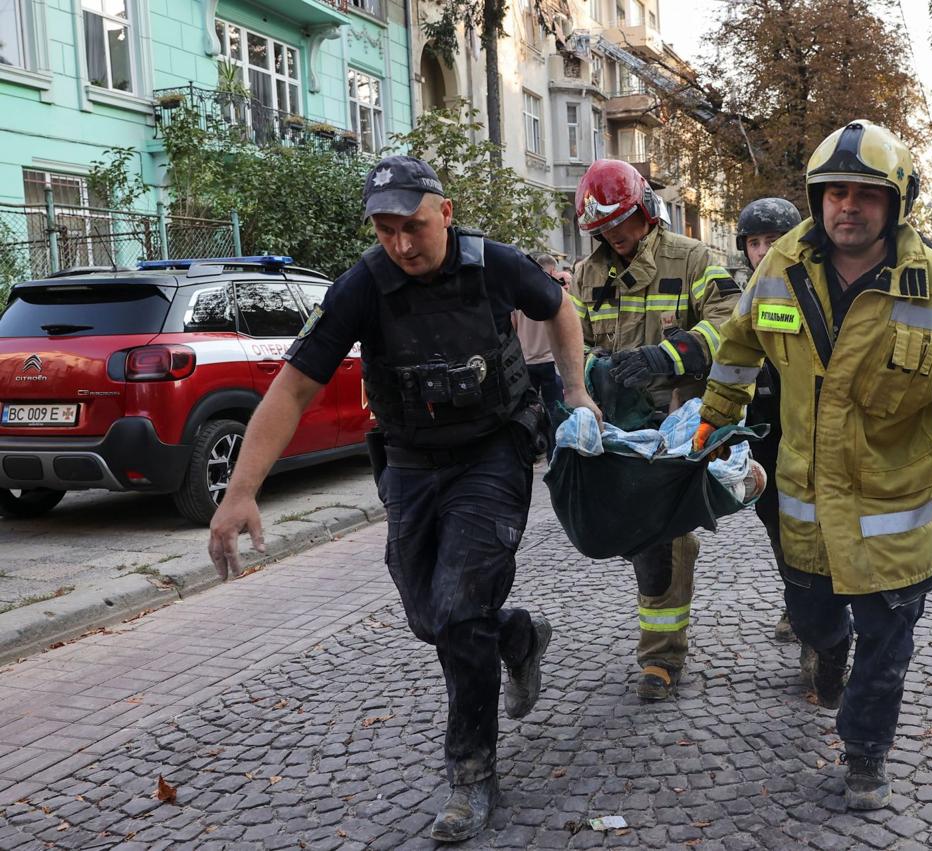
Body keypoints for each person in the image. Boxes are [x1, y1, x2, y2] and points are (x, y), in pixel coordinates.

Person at [207, 155, 600, 843]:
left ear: (444, 212)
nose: (401, 243)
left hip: (492, 451)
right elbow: (295, 385)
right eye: (385, 229)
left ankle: (471, 775)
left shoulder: (493, 264)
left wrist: (575, 392)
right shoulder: (364, 284)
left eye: (413, 225)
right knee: (430, 616)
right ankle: (518, 634)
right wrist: (240, 490)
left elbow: (559, 308)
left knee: (457, 609)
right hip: (413, 461)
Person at [693, 120, 932, 809]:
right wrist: (714, 417)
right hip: (804, 513)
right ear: (818, 199)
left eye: (867, 194)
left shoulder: (931, 287)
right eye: (834, 192)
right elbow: (737, 346)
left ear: (897, 202)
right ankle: (827, 643)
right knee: (813, 621)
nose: (848, 205)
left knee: (887, 647)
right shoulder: (780, 268)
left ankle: (865, 755)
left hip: (892, 520)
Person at [569, 158, 739, 700]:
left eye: (620, 223)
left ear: (645, 210)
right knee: (635, 538)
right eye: (602, 229)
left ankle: (661, 658)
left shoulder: (691, 258)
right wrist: (590, 372)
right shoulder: (587, 272)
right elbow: (572, 337)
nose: (613, 236)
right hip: (617, 431)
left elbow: (732, 322)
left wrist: (668, 357)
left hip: (675, 426)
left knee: (665, 540)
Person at [735, 198, 810, 660]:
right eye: (754, 243)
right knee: (776, 524)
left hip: (808, 428)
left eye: (772, 242)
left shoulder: (810, 290)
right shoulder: (741, 294)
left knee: (810, 528)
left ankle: (814, 622)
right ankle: (795, 602)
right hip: (764, 431)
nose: (762, 251)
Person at [512, 253, 567, 456]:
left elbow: (512, 329)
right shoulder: (554, 294)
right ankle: (554, 454)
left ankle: (530, 452)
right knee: (554, 410)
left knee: (527, 411)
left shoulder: (519, 295)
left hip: (526, 361)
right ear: (551, 271)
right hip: (550, 360)